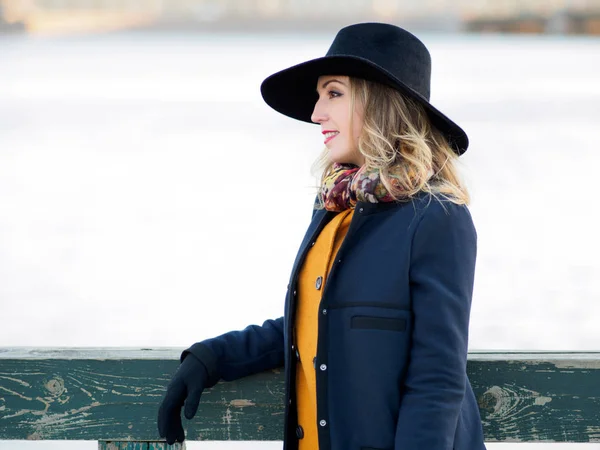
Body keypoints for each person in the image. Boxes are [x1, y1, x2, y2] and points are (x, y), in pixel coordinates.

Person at [157, 22, 486, 450]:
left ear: (381, 102)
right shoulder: (334, 208)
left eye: (333, 94)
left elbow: (437, 380)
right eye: (319, 96)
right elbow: (316, 321)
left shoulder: (437, 218)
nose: (316, 113)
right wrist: (213, 358)